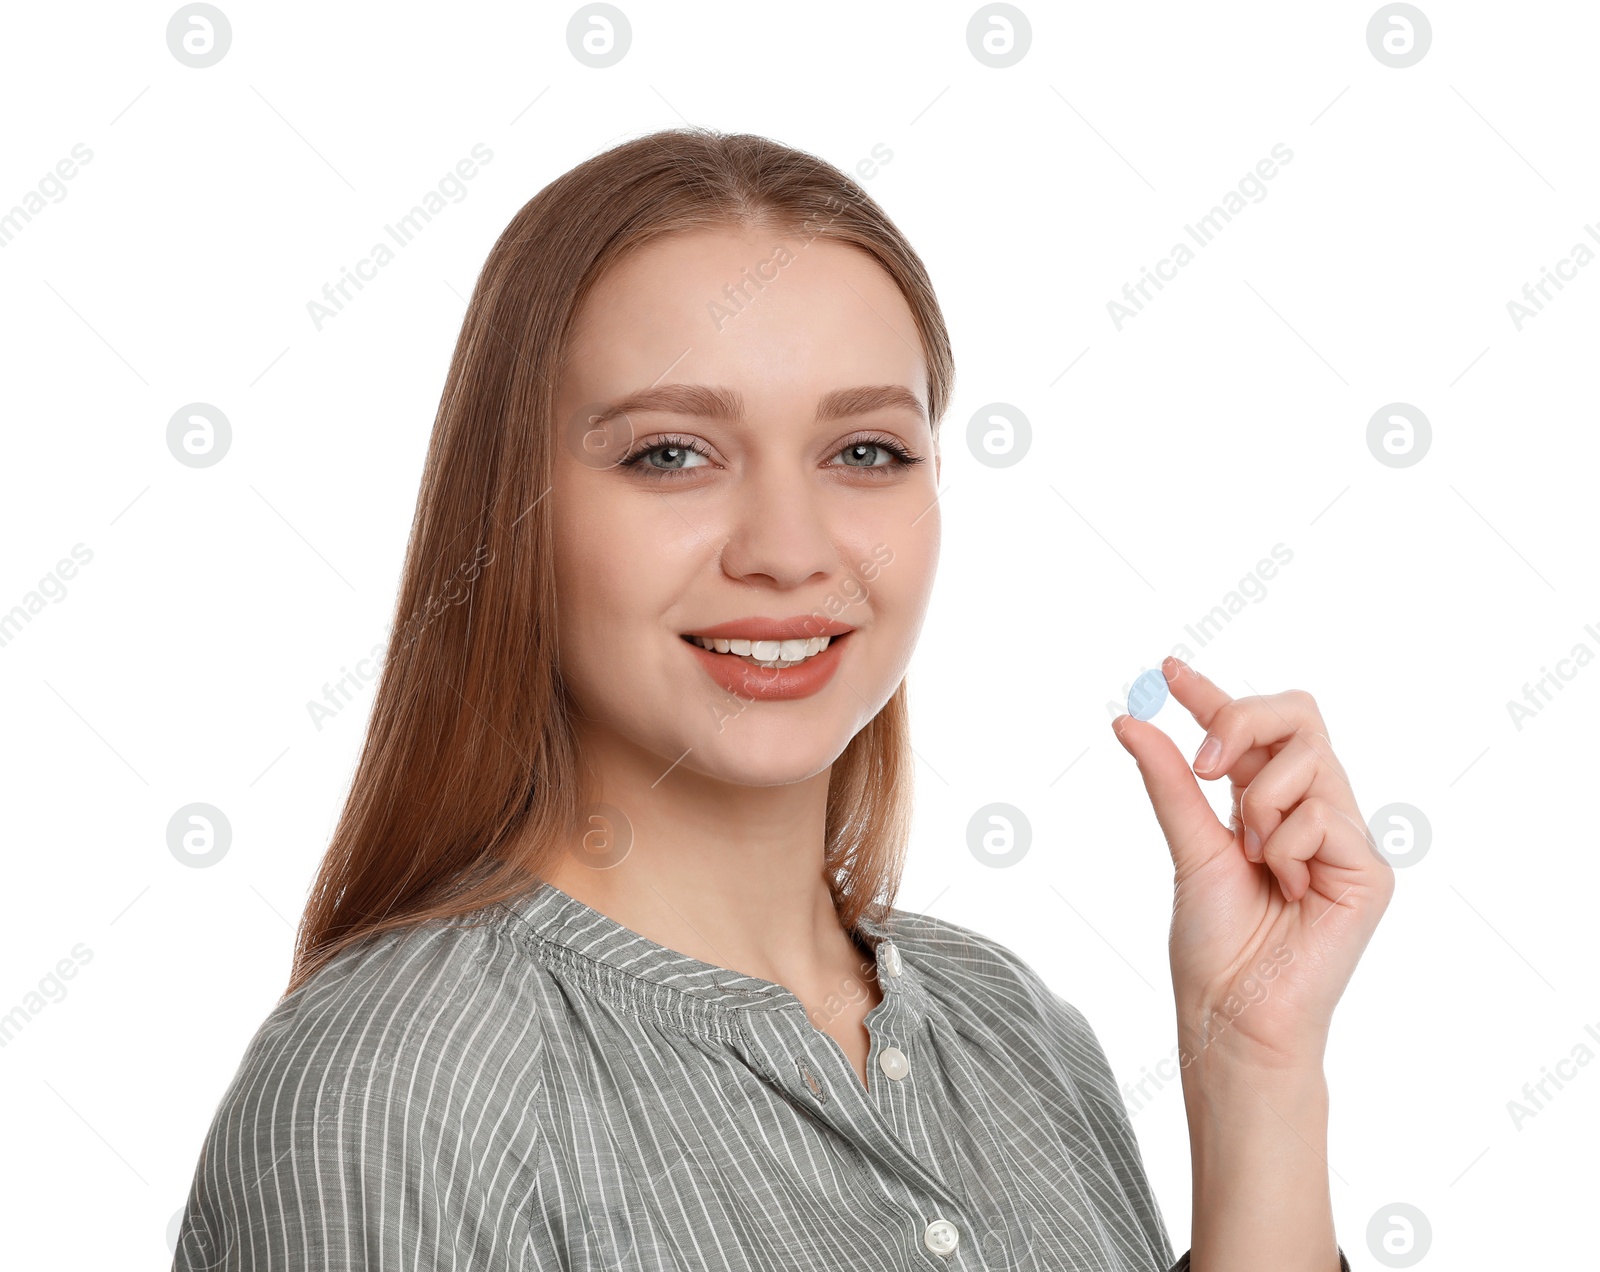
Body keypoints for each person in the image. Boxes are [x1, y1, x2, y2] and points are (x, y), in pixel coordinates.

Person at [172, 126, 1387, 1271]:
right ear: (511, 512)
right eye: (670, 452)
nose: (789, 550)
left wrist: (1257, 1078)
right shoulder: (392, 1086)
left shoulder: (1016, 1031)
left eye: (864, 452)